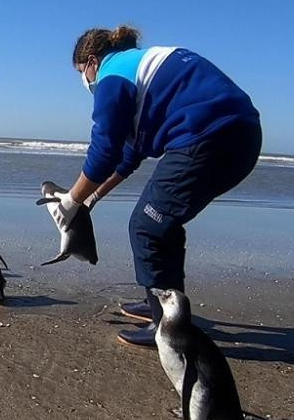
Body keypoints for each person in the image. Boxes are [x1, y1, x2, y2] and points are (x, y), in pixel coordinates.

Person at [50, 26, 261, 347]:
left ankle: (167, 327)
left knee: (147, 226)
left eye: (82, 73)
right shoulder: (139, 65)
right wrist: (91, 197)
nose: (85, 81)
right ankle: (163, 306)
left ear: (92, 61)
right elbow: (129, 154)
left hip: (211, 137)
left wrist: (70, 201)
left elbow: (104, 150)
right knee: (163, 223)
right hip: (238, 134)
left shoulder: (111, 75)